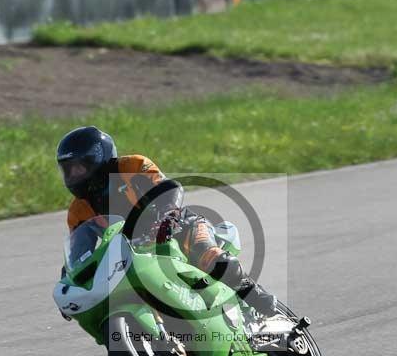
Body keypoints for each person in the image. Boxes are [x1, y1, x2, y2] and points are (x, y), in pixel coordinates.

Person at [57, 126, 277, 316]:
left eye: (79, 166)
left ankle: (257, 297)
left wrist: (169, 214)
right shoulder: (78, 210)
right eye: (68, 169)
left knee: (207, 254)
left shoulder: (133, 165)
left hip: (176, 225)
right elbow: (81, 251)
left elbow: (169, 187)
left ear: (97, 158)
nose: (74, 175)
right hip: (132, 252)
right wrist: (74, 281)